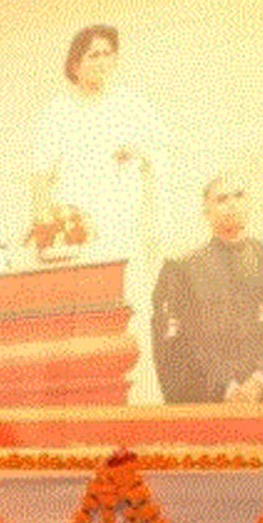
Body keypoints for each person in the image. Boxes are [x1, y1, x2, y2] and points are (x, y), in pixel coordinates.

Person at [27, 24, 171, 405]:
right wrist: (46, 234)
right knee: (82, 326)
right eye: (93, 55)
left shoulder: (131, 105)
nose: (102, 61)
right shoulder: (58, 112)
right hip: (78, 238)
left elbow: (160, 152)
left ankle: (134, 407)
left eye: (108, 54)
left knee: (131, 315)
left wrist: (139, 152)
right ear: (75, 64)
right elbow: (39, 178)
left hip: (123, 232)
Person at [151, 174, 263, 404]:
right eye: (222, 199)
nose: (232, 204)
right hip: (208, 400)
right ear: (206, 212)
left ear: (249, 203)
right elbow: (179, 344)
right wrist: (226, 387)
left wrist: (260, 381)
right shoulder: (183, 268)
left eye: (239, 196)